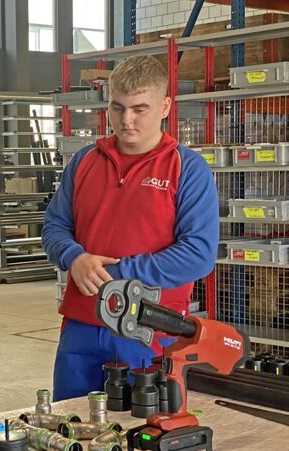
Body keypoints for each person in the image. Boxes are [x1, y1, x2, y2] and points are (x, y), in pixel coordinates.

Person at [42, 55, 219, 400]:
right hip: (81, 326)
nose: (126, 120)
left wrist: (118, 272)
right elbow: (54, 227)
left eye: (140, 109)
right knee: (69, 432)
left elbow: (198, 255)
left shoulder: (188, 169)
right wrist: (75, 258)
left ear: (165, 106)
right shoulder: (84, 161)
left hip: (150, 330)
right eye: (117, 107)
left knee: (142, 437)